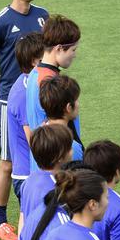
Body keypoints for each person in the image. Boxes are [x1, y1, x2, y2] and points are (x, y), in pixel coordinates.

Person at [0, 0, 48, 240]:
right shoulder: (0, 22)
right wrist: (7, 93)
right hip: (11, 103)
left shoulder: (43, 17)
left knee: (40, 158)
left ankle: (37, 214)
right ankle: (0, 222)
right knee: (8, 163)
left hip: (40, 99)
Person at [25, 14, 81, 169]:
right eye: (73, 50)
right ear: (59, 48)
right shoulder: (49, 82)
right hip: (59, 161)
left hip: (45, 161)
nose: (74, 55)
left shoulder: (35, 73)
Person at [6, 32, 43, 205]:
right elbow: (34, 140)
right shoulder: (23, 93)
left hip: (31, 173)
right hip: (28, 176)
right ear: (34, 61)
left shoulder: (26, 82)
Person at [38, 75, 84, 159]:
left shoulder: (39, 136)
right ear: (69, 107)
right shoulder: (71, 148)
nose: (78, 104)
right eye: (76, 100)